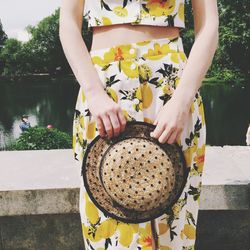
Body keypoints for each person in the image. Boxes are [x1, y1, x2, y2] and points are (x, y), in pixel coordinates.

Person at [59, 0, 219, 249]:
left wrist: (180, 101)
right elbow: (68, 23)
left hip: (171, 90)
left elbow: (209, 25)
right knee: (109, 225)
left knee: (173, 224)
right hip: (104, 92)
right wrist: (94, 93)